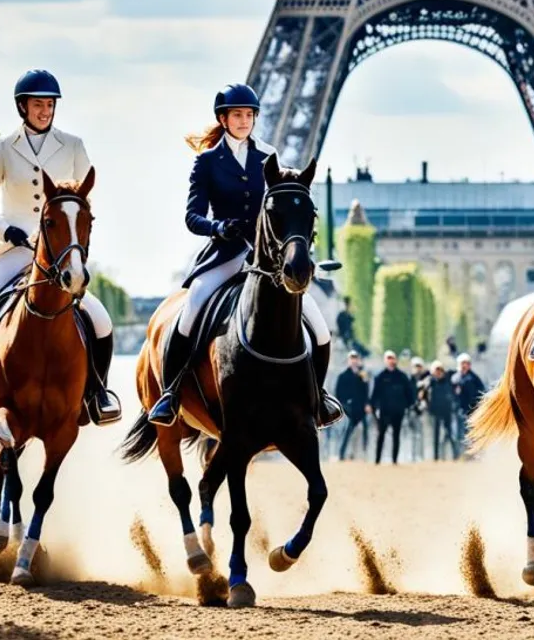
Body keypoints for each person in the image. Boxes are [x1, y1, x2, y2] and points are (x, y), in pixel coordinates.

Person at [0, 69, 119, 425]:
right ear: (23, 107)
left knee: (102, 321)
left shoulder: (74, 145)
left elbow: (84, 201)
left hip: (59, 252)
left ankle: (99, 393)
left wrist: (74, 239)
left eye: (49, 104)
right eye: (37, 104)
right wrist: (7, 231)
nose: (44, 111)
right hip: (13, 250)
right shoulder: (3, 148)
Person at [147, 83, 342, 429]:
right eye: (237, 115)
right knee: (191, 309)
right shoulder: (207, 162)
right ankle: (170, 392)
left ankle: (319, 395)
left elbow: (286, 207)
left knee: (318, 326)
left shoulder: (271, 158)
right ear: (223, 119)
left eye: (249, 115)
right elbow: (193, 217)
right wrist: (220, 227)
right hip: (224, 255)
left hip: (266, 258)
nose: (243, 120)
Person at [371, 350, 416, 464]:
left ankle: (394, 460)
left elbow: (409, 393)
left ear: (396, 360)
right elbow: (375, 394)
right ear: (385, 360)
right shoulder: (380, 377)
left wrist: (407, 406)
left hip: (398, 411)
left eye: (393, 358)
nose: (391, 360)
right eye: (389, 358)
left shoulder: (402, 376)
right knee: (381, 435)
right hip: (384, 411)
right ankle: (377, 460)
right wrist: (372, 406)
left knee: (397, 435)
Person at [336, 351, 371, 460]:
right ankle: (342, 453)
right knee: (348, 430)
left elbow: (366, 390)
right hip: (349, 408)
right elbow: (338, 393)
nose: (354, 360)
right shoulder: (343, 375)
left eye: (355, 358)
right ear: (348, 360)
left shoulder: (362, 374)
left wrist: (367, 404)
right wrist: (344, 405)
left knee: (365, 429)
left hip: (361, 407)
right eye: (352, 358)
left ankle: (365, 452)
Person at [427, 361, 459, 461]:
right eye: (436, 370)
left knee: (449, 433)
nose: (438, 372)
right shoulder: (431, 382)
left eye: (440, 370)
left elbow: (456, 374)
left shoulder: (448, 379)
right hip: (435, 412)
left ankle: (455, 455)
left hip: (447, 411)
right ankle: (436, 457)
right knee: (435, 435)